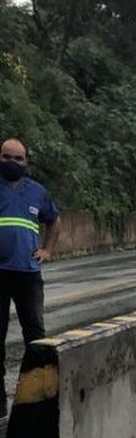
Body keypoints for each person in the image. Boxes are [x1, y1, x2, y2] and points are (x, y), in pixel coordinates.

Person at [0, 138, 61, 416]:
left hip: (28, 274)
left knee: (35, 336)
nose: (12, 163)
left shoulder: (37, 192)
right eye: (6, 157)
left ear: (26, 162)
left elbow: (54, 221)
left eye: (18, 158)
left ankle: (38, 394)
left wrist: (47, 250)